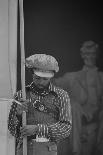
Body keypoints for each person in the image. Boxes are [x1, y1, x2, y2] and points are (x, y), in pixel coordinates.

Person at [8, 54, 72, 155]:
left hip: (47, 149)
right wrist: (18, 115)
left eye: (45, 79)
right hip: (24, 149)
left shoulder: (61, 95)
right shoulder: (21, 95)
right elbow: (13, 131)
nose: (41, 82)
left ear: (51, 77)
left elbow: (66, 128)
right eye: (37, 78)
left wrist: (37, 129)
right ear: (32, 73)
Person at [54, 40, 103, 155]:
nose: (90, 57)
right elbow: (54, 83)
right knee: (74, 106)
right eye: (87, 54)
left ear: (96, 55)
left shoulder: (101, 77)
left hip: (97, 114)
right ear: (82, 55)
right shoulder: (73, 77)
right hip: (78, 114)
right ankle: (76, 150)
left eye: (92, 54)